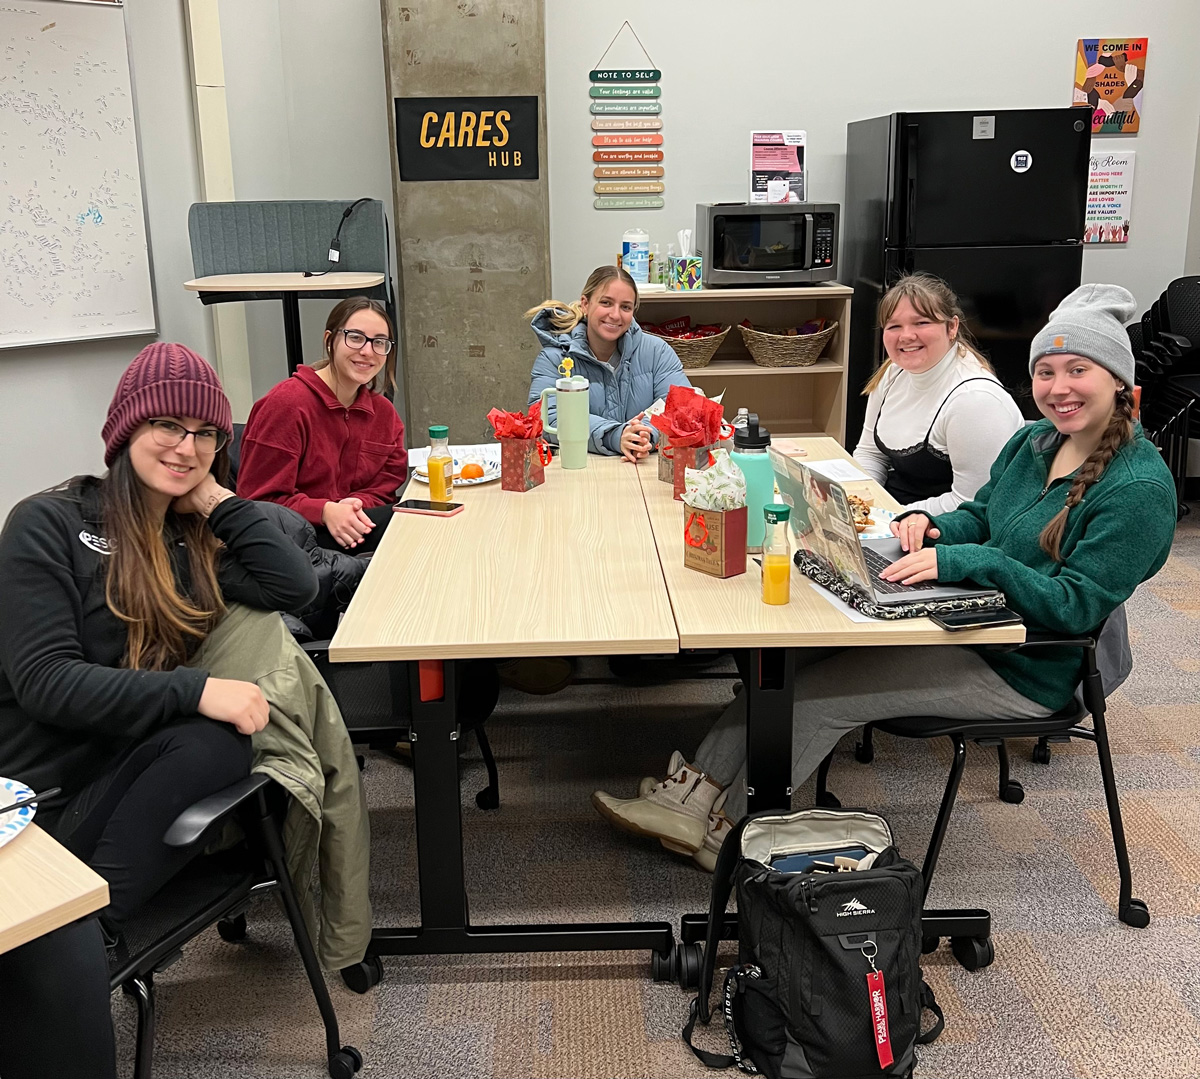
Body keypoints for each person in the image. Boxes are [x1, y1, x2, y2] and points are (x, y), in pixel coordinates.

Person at [592, 284, 1177, 871]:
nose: (1058, 387)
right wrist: (932, 525)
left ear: (1121, 386)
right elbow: (983, 514)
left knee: (815, 699)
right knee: (788, 663)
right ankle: (690, 797)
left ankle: (739, 835)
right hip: (969, 616)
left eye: (1079, 370)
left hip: (1026, 664)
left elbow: (1073, 605)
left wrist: (967, 561)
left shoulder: (1138, 492)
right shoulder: (1034, 441)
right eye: (1046, 371)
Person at [0, 343, 368, 1079]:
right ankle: (78, 924)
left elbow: (294, 585)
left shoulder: (192, 539)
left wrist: (215, 499)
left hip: (118, 785)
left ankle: (93, 920)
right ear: (125, 430)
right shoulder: (45, 523)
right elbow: (45, 682)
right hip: (31, 808)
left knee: (226, 745)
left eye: (207, 433)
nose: (186, 445)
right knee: (59, 989)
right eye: (167, 424)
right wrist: (194, 690)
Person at [237, 296, 407, 553]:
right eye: (356, 337)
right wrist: (325, 511)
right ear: (330, 340)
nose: (368, 351)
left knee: (424, 518)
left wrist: (354, 505)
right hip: (294, 541)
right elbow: (257, 502)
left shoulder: (384, 414)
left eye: (379, 342)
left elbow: (386, 486)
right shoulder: (286, 405)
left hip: (356, 525)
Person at [852, 273, 1024, 515]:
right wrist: (858, 502)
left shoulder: (974, 400)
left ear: (952, 327)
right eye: (894, 326)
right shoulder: (892, 373)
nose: (906, 336)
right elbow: (871, 454)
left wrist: (888, 515)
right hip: (894, 516)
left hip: (948, 531)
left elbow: (972, 504)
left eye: (921, 323)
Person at [526, 265, 691, 462]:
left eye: (625, 307)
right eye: (606, 303)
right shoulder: (554, 358)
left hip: (644, 467)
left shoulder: (657, 351)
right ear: (585, 304)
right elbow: (543, 418)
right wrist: (614, 435)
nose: (615, 315)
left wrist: (644, 435)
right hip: (580, 471)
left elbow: (681, 406)